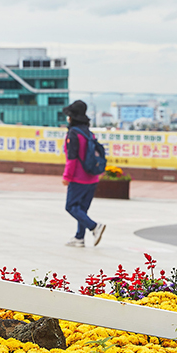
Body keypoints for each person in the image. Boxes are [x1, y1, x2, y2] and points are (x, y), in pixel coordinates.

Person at [62, 100, 106, 247]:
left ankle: (94, 227)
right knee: (81, 209)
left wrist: (67, 177)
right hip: (92, 178)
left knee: (71, 206)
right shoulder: (89, 133)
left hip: (78, 178)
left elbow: (72, 158)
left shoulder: (73, 134)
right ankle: (79, 238)